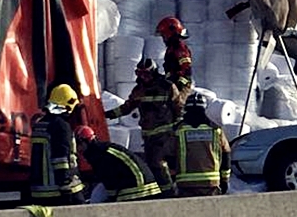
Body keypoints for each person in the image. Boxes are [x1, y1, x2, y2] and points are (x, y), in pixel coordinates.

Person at [106, 58, 180, 193]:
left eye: (146, 74)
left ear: (154, 72)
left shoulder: (166, 87)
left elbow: (178, 107)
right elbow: (127, 107)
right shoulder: (139, 90)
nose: (143, 78)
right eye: (140, 74)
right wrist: (107, 114)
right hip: (148, 136)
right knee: (153, 165)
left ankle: (168, 193)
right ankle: (164, 190)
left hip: (165, 135)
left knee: (158, 164)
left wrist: (177, 127)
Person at [164, 93, 231, 197]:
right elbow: (226, 154)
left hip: (185, 184)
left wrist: (172, 179)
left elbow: (169, 156)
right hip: (211, 184)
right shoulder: (216, 130)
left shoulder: (177, 130)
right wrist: (224, 180)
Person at [29, 84, 86, 205]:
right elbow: (61, 156)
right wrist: (65, 182)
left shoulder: (40, 124)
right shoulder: (61, 125)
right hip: (57, 189)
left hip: (40, 190)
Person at [74, 126, 162, 203]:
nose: (78, 149)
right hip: (141, 184)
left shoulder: (100, 155)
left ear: (85, 141)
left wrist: (111, 199)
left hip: (137, 187)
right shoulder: (101, 150)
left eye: (78, 144)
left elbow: (109, 179)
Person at [157, 16, 194, 106]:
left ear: (171, 33)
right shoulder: (171, 49)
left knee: (176, 108)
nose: (163, 38)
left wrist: (179, 84)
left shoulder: (180, 48)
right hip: (172, 84)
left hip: (182, 86)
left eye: (164, 35)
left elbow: (186, 70)